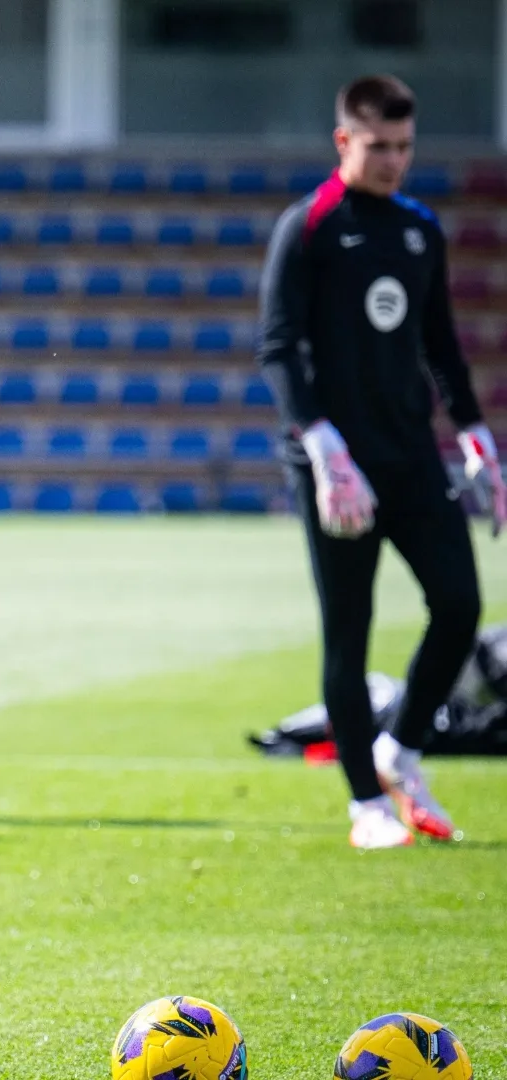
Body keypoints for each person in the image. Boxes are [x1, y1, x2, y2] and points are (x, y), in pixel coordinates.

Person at [258, 73, 505, 850]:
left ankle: (400, 747)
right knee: (349, 632)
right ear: (344, 141)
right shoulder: (309, 227)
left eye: (404, 147)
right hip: (336, 470)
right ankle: (367, 803)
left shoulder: (418, 228)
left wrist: (473, 432)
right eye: (379, 147)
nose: (395, 160)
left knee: (460, 605)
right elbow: (278, 347)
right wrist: (323, 444)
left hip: (409, 456)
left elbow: (439, 345)